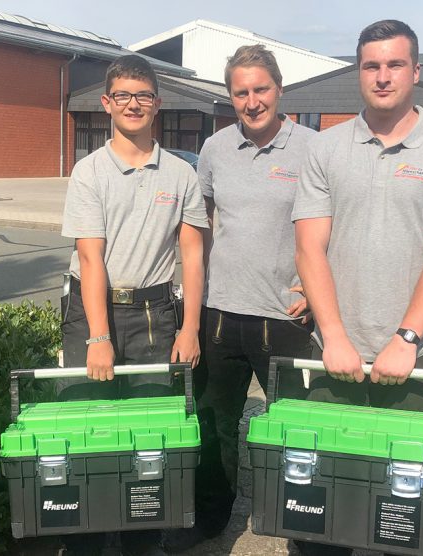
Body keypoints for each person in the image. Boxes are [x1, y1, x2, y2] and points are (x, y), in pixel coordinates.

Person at [291, 20, 423, 555]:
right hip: (336, 353)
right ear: (359, 72)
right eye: (372, 65)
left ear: (416, 71)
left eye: (395, 64)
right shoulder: (326, 150)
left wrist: (408, 339)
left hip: (415, 354)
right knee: (321, 501)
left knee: (404, 508)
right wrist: (333, 335)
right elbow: (310, 249)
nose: (382, 76)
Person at [161, 45, 316, 553]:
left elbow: (331, 229)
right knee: (215, 424)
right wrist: (191, 297)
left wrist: (316, 288)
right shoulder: (215, 149)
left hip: (285, 319)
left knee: (297, 428)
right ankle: (208, 520)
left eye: (261, 89)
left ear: (279, 89)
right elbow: (200, 229)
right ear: (231, 96)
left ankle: (306, 524)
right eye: (241, 92)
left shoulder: (314, 150)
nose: (252, 101)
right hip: (221, 315)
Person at [60, 54, 207, 556]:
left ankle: (143, 537)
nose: (133, 104)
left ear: (157, 104)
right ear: (106, 103)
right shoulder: (89, 172)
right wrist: (99, 338)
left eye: (143, 95)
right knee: (91, 427)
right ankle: (88, 538)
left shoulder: (183, 174)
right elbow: (90, 256)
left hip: (156, 315)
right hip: (93, 312)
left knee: (149, 430)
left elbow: (192, 254)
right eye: (123, 95)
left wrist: (189, 329)